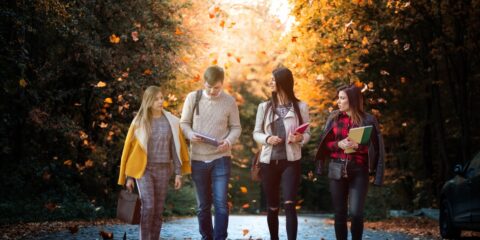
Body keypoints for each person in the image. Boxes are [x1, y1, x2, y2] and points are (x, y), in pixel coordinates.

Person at [117, 86, 191, 240]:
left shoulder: (171, 121)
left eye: (161, 98)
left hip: (164, 169)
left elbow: (176, 148)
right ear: (148, 101)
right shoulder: (139, 122)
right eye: (156, 99)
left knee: (157, 210)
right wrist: (129, 177)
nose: (160, 101)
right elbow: (129, 150)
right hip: (143, 170)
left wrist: (178, 173)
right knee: (148, 206)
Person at [314, 84, 385, 240]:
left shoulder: (368, 119)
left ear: (352, 100)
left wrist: (357, 146)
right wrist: (338, 144)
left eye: (342, 98)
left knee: (356, 213)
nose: (338, 102)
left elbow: (375, 149)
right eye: (338, 98)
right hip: (336, 170)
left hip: (359, 171)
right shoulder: (333, 117)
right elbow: (323, 144)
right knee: (339, 214)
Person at [180, 65, 241, 240]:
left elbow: (236, 127)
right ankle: (206, 237)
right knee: (203, 206)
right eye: (209, 87)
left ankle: (220, 238)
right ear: (203, 83)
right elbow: (184, 123)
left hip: (221, 157)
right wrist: (190, 134)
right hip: (198, 159)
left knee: (221, 204)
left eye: (217, 88)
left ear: (222, 84)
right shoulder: (193, 98)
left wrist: (228, 141)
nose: (213, 91)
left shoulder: (229, 101)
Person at [253, 67, 310, 240]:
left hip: (291, 161)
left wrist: (300, 137)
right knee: (272, 207)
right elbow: (256, 132)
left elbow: (307, 134)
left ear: (283, 82)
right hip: (268, 162)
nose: (270, 82)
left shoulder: (301, 107)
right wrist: (267, 138)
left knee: (290, 204)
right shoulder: (264, 107)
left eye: (273, 80)